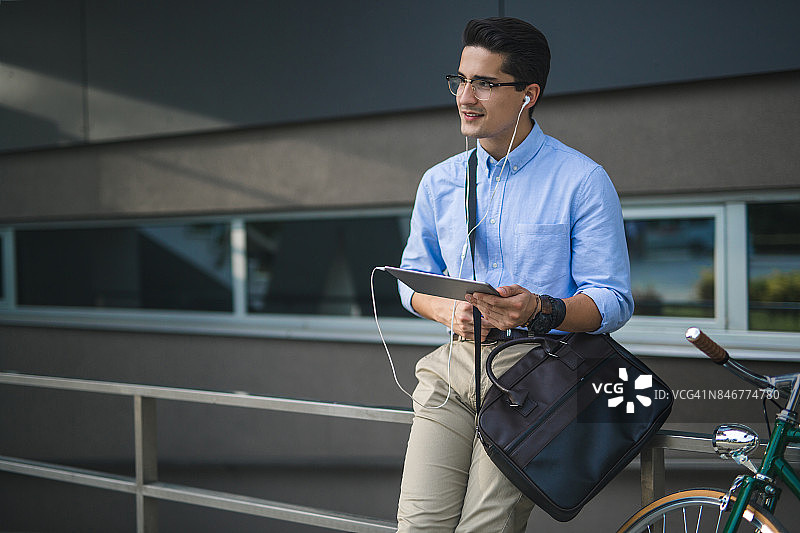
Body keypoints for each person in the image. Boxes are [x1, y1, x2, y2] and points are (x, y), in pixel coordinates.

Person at [395, 17, 634, 532]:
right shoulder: (439, 181)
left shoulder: (582, 180)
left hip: (536, 376)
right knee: (418, 525)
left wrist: (540, 309)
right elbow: (410, 278)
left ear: (528, 95)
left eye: (484, 83)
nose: (466, 96)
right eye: (461, 80)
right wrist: (447, 310)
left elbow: (613, 300)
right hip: (452, 365)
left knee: (484, 528)